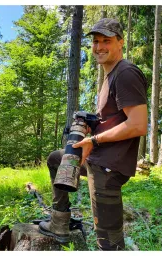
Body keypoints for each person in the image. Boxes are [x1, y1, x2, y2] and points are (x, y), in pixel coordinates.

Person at [38, 18, 148, 250]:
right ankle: (59, 222)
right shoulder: (110, 77)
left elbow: (138, 125)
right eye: (96, 41)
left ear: (120, 42)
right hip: (98, 159)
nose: (99, 47)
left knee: (108, 243)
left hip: (109, 167)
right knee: (57, 159)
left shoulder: (126, 73)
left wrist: (93, 139)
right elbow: (116, 121)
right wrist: (93, 126)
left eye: (106, 41)